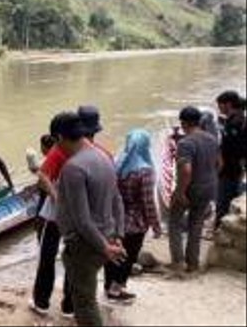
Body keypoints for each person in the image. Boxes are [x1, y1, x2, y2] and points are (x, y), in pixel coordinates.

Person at [56, 112, 126, 327]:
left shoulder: (74, 168)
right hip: (105, 236)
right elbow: (117, 201)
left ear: (60, 138)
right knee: (88, 296)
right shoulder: (103, 157)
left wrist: (104, 247)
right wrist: (117, 236)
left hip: (85, 244)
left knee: (85, 302)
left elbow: (82, 219)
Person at [103, 129, 162, 304]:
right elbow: (148, 202)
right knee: (128, 257)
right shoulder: (145, 170)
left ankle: (108, 286)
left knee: (113, 255)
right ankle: (116, 291)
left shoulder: (117, 164)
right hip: (134, 222)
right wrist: (156, 225)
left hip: (114, 218)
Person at [29, 115, 74, 319]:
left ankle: (41, 303)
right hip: (79, 216)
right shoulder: (93, 151)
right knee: (73, 258)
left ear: (58, 136)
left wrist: (56, 198)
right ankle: (69, 306)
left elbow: (42, 179)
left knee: (47, 257)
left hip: (55, 216)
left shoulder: (57, 151)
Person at [168, 106, 219, 276]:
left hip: (191, 188)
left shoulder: (185, 143)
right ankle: (193, 264)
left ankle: (178, 264)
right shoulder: (212, 139)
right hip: (208, 187)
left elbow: (186, 170)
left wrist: (180, 192)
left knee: (174, 222)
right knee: (196, 224)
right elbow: (220, 163)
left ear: (183, 123)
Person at [215, 91, 247, 230]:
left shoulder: (233, 124)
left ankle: (219, 231)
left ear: (228, 104)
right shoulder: (235, 121)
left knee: (222, 203)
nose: (219, 108)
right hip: (236, 170)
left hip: (229, 171)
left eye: (220, 105)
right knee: (229, 202)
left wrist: (219, 167)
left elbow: (232, 149)